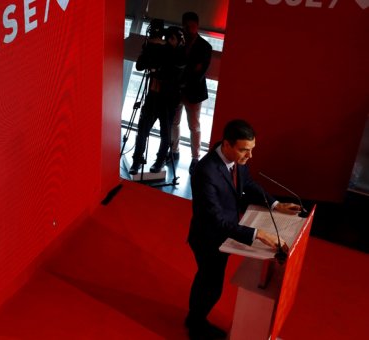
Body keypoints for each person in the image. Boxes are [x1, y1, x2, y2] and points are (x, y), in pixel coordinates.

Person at [185, 119, 300, 340]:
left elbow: (247, 184)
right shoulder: (205, 171)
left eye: (251, 149)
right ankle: (195, 326)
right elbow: (215, 220)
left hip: (226, 231)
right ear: (226, 144)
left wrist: (275, 204)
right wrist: (258, 235)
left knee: (209, 281)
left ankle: (193, 319)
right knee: (210, 284)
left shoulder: (236, 159)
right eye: (244, 150)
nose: (249, 156)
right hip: (209, 237)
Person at [129, 25, 186, 175]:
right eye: (167, 38)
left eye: (172, 38)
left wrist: (158, 68)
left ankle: (160, 161)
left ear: (180, 40)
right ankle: (136, 160)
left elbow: (172, 75)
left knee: (165, 133)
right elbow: (140, 66)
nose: (168, 41)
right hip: (153, 95)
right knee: (142, 129)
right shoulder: (160, 50)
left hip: (169, 100)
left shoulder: (182, 55)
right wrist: (148, 47)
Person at [169, 11, 212, 174]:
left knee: (194, 126)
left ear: (197, 26)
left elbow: (200, 73)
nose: (188, 29)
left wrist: (183, 81)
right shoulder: (178, 42)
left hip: (193, 92)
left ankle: (196, 157)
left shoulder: (205, 46)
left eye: (192, 26)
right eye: (186, 26)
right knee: (174, 122)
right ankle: (174, 150)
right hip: (177, 90)